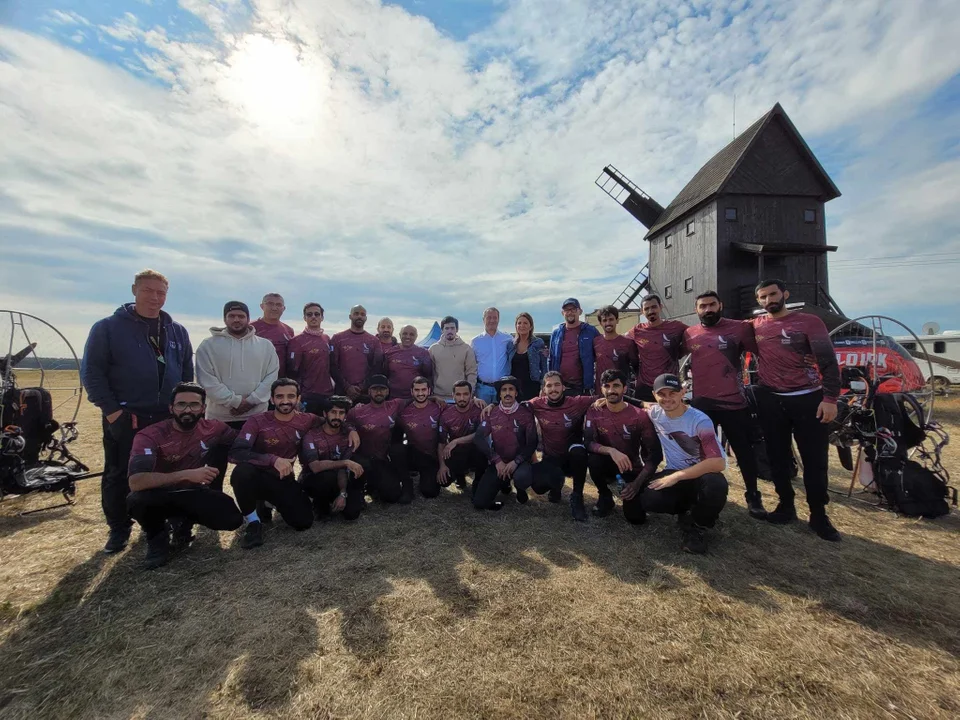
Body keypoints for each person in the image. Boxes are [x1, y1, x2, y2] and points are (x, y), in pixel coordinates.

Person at [81, 268, 194, 554]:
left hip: (168, 417)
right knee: (121, 473)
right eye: (148, 291)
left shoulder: (176, 331)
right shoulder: (107, 328)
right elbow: (92, 373)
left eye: (161, 293)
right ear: (134, 290)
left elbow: (186, 373)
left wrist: (184, 409)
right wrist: (112, 412)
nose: (155, 298)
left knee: (167, 470)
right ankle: (119, 528)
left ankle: (160, 523)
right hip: (127, 415)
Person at [751, 279, 842, 541]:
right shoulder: (756, 326)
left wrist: (830, 399)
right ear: (759, 301)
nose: (769, 300)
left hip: (807, 399)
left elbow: (828, 361)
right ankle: (785, 505)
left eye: (773, 294)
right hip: (772, 399)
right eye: (763, 297)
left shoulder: (809, 322)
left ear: (785, 294)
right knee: (777, 456)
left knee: (814, 460)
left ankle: (818, 514)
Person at [126, 382, 243, 569]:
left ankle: (183, 523)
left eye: (194, 405)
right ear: (171, 407)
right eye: (181, 404)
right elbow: (136, 481)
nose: (187, 409)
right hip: (157, 495)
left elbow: (244, 440)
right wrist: (186, 474)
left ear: (203, 408)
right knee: (137, 500)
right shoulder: (149, 435)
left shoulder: (214, 428)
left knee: (232, 518)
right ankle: (157, 538)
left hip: (192, 492)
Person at [680, 291, 766, 519]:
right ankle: (698, 490)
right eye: (702, 306)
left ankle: (753, 495)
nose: (707, 309)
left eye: (711, 305)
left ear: (721, 305)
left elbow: (764, 353)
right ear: (696, 309)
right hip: (702, 404)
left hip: (733, 403)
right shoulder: (690, 333)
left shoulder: (739, 328)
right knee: (699, 451)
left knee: (743, 451)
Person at [636, 373, 730, 554]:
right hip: (675, 473)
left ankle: (699, 526)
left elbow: (718, 462)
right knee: (648, 499)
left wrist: (677, 475)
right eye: (662, 394)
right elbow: (633, 402)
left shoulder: (699, 420)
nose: (667, 399)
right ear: (654, 395)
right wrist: (605, 401)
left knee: (715, 484)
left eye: (673, 393)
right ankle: (687, 510)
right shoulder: (655, 412)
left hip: (702, 474)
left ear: (683, 392)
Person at [229, 379, 318, 549]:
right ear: (271, 399)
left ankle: (267, 503)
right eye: (279, 396)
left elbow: (332, 422)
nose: (285, 401)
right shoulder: (257, 421)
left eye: (290, 396)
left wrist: (350, 430)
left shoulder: (307, 420)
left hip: (283, 479)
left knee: (303, 522)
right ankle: (253, 522)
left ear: (298, 398)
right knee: (242, 472)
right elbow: (237, 452)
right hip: (257, 476)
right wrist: (273, 459)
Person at [584, 369, 661, 519]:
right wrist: (611, 451)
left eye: (616, 386)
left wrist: (637, 483)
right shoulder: (594, 411)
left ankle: (637, 491)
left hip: (631, 468)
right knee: (593, 458)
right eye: (607, 386)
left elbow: (654, 456)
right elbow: (588, 443)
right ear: (601, 388)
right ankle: (605, 496)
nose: (611, 390)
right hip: (607, 463)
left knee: (635, 519)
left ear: (625, 388)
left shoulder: (640, 416)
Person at [195, 301, 279, 429]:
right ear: (224, 319)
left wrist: (251, 401)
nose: (236, 320)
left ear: (248, 319)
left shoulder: (265, 346)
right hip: (219, 418)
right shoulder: (208, 346)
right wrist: (235, 402)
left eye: (241, 316)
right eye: (231, 316)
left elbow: (271, 377)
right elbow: (206, 380)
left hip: (257, 416)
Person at [528, 371, 596, 520]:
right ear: (544, 390)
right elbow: (513, 406)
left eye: (557, 384)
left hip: (573, 459)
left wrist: (643, 403)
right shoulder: (536, 404)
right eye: (549, 385)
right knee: (538, 485)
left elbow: (609, 397)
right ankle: (556, 486)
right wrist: (492, 405)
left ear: (563, 387)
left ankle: (577, 497)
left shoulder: (577, 402)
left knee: (579, 451)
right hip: (551, 458)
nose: (553, 389)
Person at [473, 376, 540, 510]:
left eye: (511, 389)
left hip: (519, 462)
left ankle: (520, 490)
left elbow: (532, 442)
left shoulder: (526, 413)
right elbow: (479, 437)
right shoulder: (492, 413)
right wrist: (496, 460)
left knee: (522, 477)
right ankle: (504, 484)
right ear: (499, 394)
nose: (507, 393)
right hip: (499, 463)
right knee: (479, 503)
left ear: (516, 392)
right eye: (504, 390)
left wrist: (517, 461)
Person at [347, 374, 413, 504]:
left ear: (388, 391)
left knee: (392, 496)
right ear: (369, 391)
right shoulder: (358, 410)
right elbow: (345, 423)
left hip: (382, 460)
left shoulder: (395, 404)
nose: (379, 392)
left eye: (382, 389)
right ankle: (359, 489)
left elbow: (414, 400)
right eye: (375, 389)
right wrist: (352, 430)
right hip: (363, 460)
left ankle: (386, 485)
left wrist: (434, 398)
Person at [299, 396, 366, 521]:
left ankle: (343, 498)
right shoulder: (311, 435)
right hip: (313, 478)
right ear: (325, 413)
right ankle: (319, 506)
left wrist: (342, 493)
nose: (337, 416)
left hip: (338, 479)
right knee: (327, 477)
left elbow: (342, 469)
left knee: (352, 514)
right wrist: (345, 462)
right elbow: (315, 466)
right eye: (333, 412)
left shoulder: (347, 436)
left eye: (341, 413)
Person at [627, 294, 686, 401]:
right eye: (647, 308)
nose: (650, 311)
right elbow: (619, 341)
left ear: (660, 307)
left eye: (654, 307)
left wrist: (680, 352)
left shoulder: (676, 327)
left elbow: (696, 336)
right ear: (642, 311)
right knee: (644, 417)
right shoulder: (637, 330)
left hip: (669, 385)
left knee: (672, 417)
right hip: (645, 387)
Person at [395, 376, 445, 498]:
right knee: (396, 450)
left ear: (429, 391)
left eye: (423, 390)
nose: (420, 393)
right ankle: (406, 484)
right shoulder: (404, 411)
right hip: (415, 453)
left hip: (432, 457)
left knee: (430, 492)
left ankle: (426, 477)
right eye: (417, 390)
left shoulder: (439, 407)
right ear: (412, 392)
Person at [437, 380, 487, 491]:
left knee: (482, 450)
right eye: (458, 394)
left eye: (465, 394)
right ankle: (459, 476)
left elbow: (481, 433)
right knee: (444, 481)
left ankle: (478, 482)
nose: (462, 398)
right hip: (457, 452)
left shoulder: (479, 409)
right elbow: (441, 443)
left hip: (475, 450)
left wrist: (456, 441)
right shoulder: (446, 415)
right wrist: (442, 466)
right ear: (453, 396)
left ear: (471, 395)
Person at [287, 302, 335, 415]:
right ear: (304, 318)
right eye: (309, 314)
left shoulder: (326, 338)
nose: (313, 317)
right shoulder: (296, 341)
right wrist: (296, 396)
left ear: (322, 317)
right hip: (307, 395)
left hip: (327, 393)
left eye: (317, 314)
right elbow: (292, 372)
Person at [548, 298, 600, 396]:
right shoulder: (556, 333)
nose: (570, 313)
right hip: (560, 387)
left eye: (573, 309)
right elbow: (551, 359)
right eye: (567, 310)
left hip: (582, 387)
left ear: (580, 311)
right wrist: (547, 384)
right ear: (562, 313)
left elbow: (600, 356)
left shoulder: (591, 331)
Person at [331, 305, 384, 401]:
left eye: (362, 314)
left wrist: (362, 387)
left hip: (365, 394)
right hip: (342, 393)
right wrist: (347, 387)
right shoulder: (337, 339)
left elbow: (377, 367)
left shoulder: (374, 341)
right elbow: (332, 366)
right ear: (350, 316)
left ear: (366, 318)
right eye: (356, 313)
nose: (359, 316)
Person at [429, 315, 478, 401]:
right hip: (439, 396)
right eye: (447, 328)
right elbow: (430, 373)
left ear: (457, 330)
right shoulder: (433, 349)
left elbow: (471, 373)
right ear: (442, 330)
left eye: (452, 328)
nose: (449, 331)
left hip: (461, 397)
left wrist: (469, 392)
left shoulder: (466, 349)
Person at [471, 307, 514, 404]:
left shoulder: (508, 338)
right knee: (482, 417)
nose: (492, 320)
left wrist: (543, 351)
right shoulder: (475, 341)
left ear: (498, 319)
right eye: (489, 317)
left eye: (495, 317)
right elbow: (471, 365)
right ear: (483, 320)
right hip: (482, 388)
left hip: (502, 388)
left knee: (501, 417)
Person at [593, 305, 639, 395]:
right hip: (601, 391)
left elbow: (636, 367)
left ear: (617, 320)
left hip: (621, 392)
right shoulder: (595, 342)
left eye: (611, 319)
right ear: (600, 323)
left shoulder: (628, 342)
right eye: (605, 320)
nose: (608, 323)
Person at [251, 293, 295, 377]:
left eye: (278, 305)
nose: (274, 308)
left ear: (284, 308)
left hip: (281, 382)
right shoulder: (251, 329)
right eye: (270, 304)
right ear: (262, 306)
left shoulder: (288, 330)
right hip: (257, 380)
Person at [384, 325, 433, 400]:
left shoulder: (423, 353)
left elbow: (428, 376)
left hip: (415, 399)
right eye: (405, 333)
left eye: (411, 334)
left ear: (416, 336)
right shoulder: (389, 353)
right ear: (400, 335)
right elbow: (384, 374)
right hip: (393, 398)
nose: (408, 337)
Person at [507, 312, 547, 401]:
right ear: (516, 326)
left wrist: (543, 386)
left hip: (533, 386)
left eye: (525, 323)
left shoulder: (538, 343)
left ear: (531, 326)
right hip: (515, 388)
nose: (522, 326)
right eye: (519, 323)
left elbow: (544, 367)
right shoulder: (511, 345)